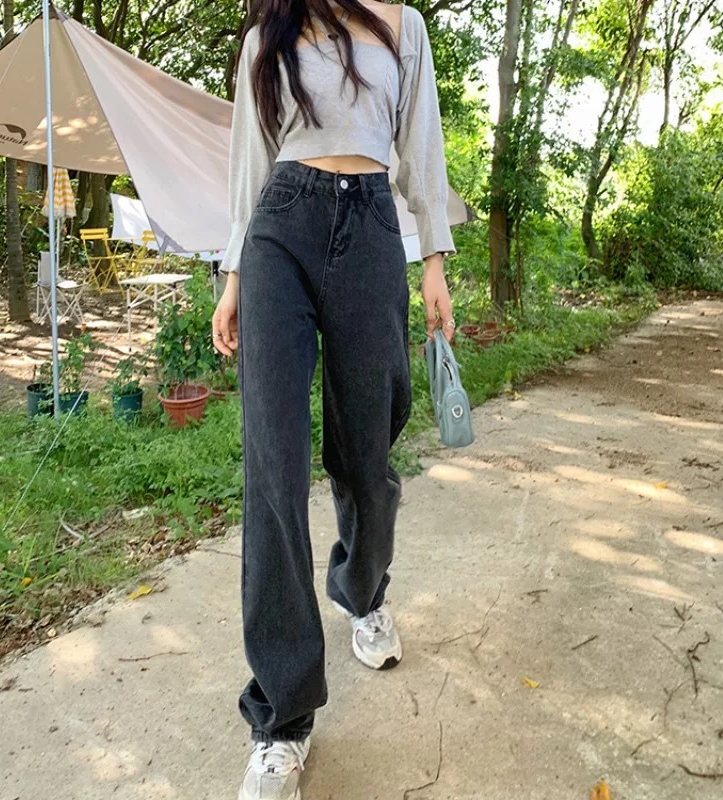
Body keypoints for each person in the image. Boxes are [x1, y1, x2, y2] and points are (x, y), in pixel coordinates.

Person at [212, 1, 456, 797]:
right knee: (272, 468)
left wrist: (435, 260)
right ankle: (281, 719)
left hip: (372, 225)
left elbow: (420, 145)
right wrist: (233, 277)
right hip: (279, 230)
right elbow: (250, 163)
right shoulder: (268, 34)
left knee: (367, 448)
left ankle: (362, 592)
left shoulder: (401, 24)